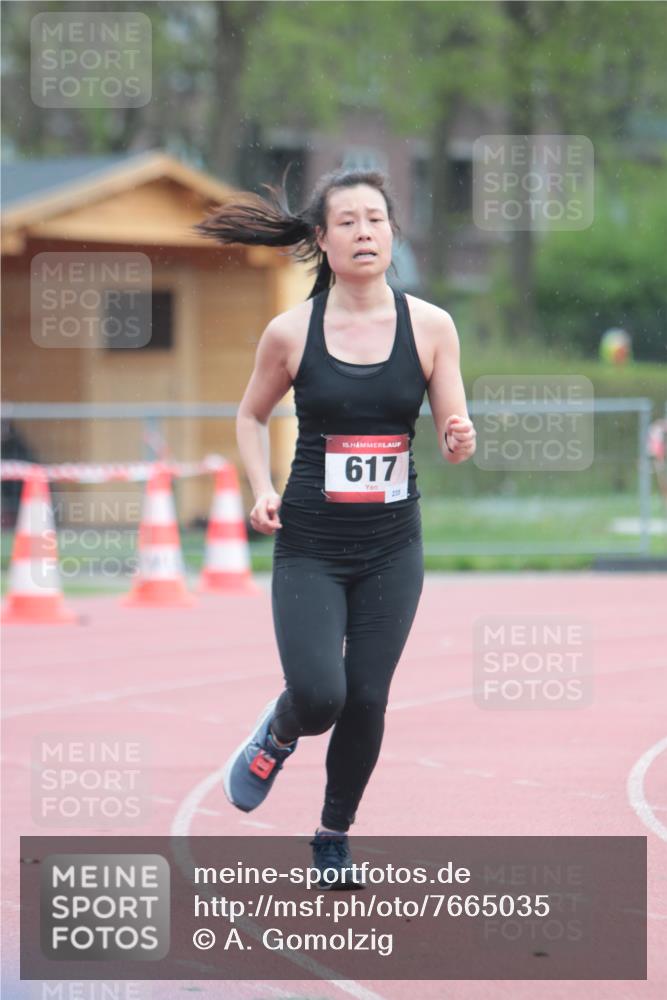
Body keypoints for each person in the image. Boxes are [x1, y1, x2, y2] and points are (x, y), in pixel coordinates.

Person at [193, 167, 476, 888]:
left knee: (369, 696)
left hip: (390, 546)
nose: (363, 232)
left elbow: (451, 415)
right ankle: (278, 730)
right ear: (320, 239)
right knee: (322, 695)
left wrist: (455, 432)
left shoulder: (431, 326)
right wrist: (261, 487)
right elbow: (250, 416)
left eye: (375, 219)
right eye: (346, 221)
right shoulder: (291, 332)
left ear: (392, 232)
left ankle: (331, 836)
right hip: (312, 544)